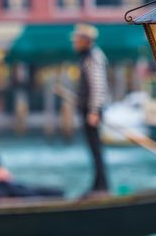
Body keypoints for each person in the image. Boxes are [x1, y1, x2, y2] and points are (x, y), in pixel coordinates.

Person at [71, 24, 109, 195]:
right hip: (89, 108)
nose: (74, 43)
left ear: (85, 41)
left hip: (92, 110)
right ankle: (99, 184)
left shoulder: (93, 57)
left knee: (96, 148)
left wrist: (94, 110)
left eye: (77, 40)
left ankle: (101, 185)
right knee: (94, 149)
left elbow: (97, 86)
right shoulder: (87, 57)